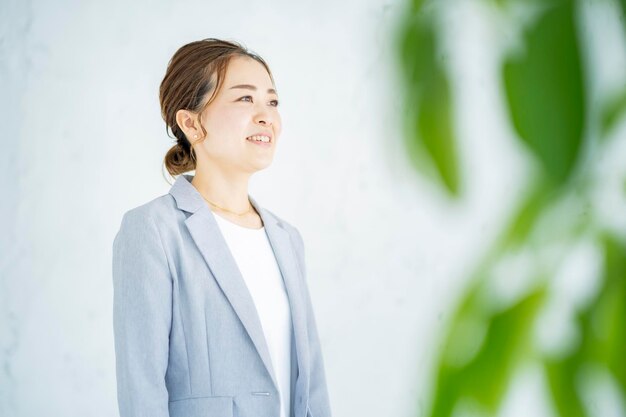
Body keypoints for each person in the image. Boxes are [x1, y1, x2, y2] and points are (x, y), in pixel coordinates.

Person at [111, 38, 332, 417]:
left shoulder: (287, 238)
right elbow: (141, 391)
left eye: (272, 101)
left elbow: (310, 387)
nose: (266, 115)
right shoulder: (153, 230)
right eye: (245, 99)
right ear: (192, 123)